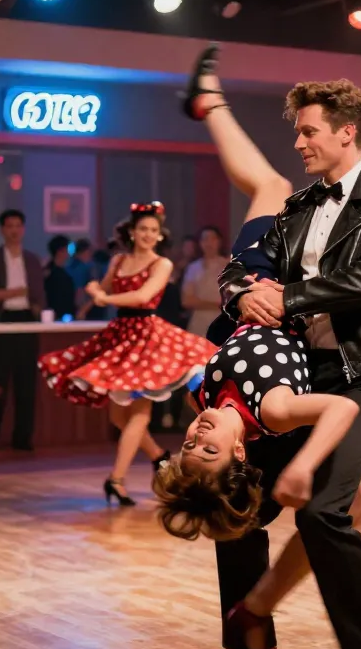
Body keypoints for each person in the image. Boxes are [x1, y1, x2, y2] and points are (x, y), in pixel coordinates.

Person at [192, 46, 361, 649]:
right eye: (298, 132)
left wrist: (285, 297)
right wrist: (244, 295)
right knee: (234, 509)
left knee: (324, 513)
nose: (298, 143)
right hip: (295, 375)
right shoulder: (296, 207)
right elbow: (242, 269)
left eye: (309, 131)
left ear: (347, 132)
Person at [38, 201, 217, 504]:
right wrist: (94, 292)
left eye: (154, 230)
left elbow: (143, 295)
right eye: (143, 229)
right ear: (132, 232)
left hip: (147, 340)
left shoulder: (162, 264)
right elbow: (102, 288)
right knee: (119, 415)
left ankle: (116, 479)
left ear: (160, 235)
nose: (148, 235)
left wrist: (104, 297)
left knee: (139, 413)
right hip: (120, 336)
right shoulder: (119, 260)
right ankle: (159, 456)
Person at [0, 209, 44, 451]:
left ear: (23, 229)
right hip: (0, 320)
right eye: (9, 226)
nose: (14, 231)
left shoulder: (32, 259)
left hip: (27, 320)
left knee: (27, 382)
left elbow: (38, 294)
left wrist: (21, 295)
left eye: (18, 226)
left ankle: (23, 438)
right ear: (2, 230)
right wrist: (18, 291)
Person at [181, 226, 229, 337]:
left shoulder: (228, 266)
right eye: (205, 239)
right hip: (198, 323)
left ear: (219, 241)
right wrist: (217, 305)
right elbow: (186, 301)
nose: (209, 243)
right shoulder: (193, 267)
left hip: (222, 322)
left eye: (213, 239)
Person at [43, 235, 76, 320]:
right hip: (56, 317)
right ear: (60, 251)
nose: (69, 253)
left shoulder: (63, 272)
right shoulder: (50, 273)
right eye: (68, 249)